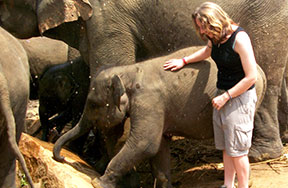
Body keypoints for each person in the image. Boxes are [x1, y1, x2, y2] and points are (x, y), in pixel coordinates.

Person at [163, 2, 257, 188]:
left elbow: (251, 77)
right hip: (223, 95)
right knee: (226, 147)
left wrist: (226, 96)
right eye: (199, 26)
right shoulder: (215, 37)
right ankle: (228, 185)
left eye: (203, 26)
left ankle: (243, 186)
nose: (201, 30)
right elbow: (208, 51)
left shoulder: (240, 39)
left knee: (238, 151)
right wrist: (184, 60)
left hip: (239, 99)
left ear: (214, 21)